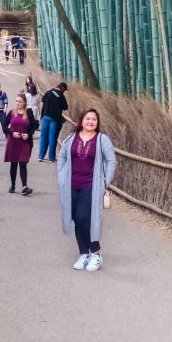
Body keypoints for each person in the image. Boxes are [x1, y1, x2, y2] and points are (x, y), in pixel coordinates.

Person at [57, 109, 117, 272]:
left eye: (94, 120)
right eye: (88, 119)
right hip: (71, 184)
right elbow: (61, 157)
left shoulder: (102, 140)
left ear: (97, 123)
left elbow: (111, 161)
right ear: (81, 121)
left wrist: (105, 181)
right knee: (76, 219)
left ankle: (96, 254)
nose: (91, 122)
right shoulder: (71, 139)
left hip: (91, 185)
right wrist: (61, 176)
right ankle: (84, 254)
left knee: (84, 217)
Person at [4, 93, 37, 195]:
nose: (17, 103)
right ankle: (13, 185)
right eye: (16, 101)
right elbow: (5, 126)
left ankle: (24, 187)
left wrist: (28, 134)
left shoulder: (29, 113)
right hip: (13, 142)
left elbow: (34, 126)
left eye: (20, 101)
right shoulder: (12, 112)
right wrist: (11, 132)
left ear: (24, 103)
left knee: (23, 163)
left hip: (24, 142)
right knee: (13, 164)